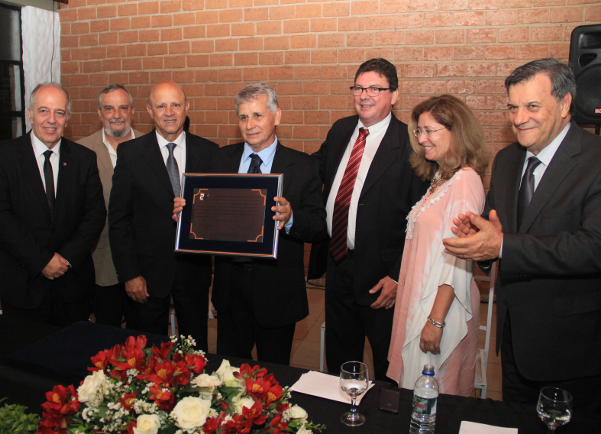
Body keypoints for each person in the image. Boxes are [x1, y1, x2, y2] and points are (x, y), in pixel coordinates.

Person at [443, 58, 601, 412]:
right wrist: (479, 244)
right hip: (514, 343)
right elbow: (497, 234)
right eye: (513, 107)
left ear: (564, 104)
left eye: (532, 106)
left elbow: (594, 246)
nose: (518, 118)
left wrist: (502, 245)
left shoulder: (594, 161)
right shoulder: (507, 160)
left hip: (574, 349)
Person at [173, 83, 327, 364]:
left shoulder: (303, 166)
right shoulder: (220, 160)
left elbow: (318, 226)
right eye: (243, 117)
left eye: (258, 115)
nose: (250, 125)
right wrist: (186, 213)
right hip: (230, 291)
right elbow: (208, 215)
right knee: (228, 376)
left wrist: (291, 218)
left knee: (275, 376)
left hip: (277, 292)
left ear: (276, 116)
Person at [313, 58, 428, 381]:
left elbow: (419, 218)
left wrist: (397, 275)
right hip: (339, 265)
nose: (365, 95)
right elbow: (312, 172)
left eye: (375, 88)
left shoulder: (411, 144)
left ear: (394, 95)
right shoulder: (340, 131)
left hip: (382, 277)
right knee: (340, 357)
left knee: (386, 363)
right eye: (359, 87)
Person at [386, 95, 488, 396]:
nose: (422, 139)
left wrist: (435, 321)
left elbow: (459, 257)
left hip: (440, 305)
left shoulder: (465, 181)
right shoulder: (442, 178)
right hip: (421, 298)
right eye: (419, 131)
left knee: (432, 395)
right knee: (416, 391)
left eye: (430, 130)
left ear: (456, 131)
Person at [0, 83, 106, 326]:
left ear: (67, 118)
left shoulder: (84, 159)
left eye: (59, 112)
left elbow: (95, 215)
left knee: (71, 359)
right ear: (29, 114)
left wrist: (65, 259)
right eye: (43, 111)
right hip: (21, 285)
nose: (51, 120)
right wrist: (42, 261)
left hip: (72, 286)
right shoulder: (1, 157)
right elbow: (0, 216)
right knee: (22, 360)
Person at [109, 81, 218, 348]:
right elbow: (118, 220)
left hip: (194, 273)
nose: (169, 112)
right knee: (147, 354)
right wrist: (130, 274)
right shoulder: (131, 154)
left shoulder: (210, 152)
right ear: (149, 110)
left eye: (176, 104)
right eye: (161, 105)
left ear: (187, 107)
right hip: (146, 276)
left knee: (196, 352)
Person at [78, 84, 144, 328]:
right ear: (99, 113)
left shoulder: (151, 148)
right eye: (109, 108)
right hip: (99, 266)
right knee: (105, 343)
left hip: (143, 265)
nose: (116, 114)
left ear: (133, 111)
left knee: (142, 342)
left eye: (123, 107)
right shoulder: (81, 151)